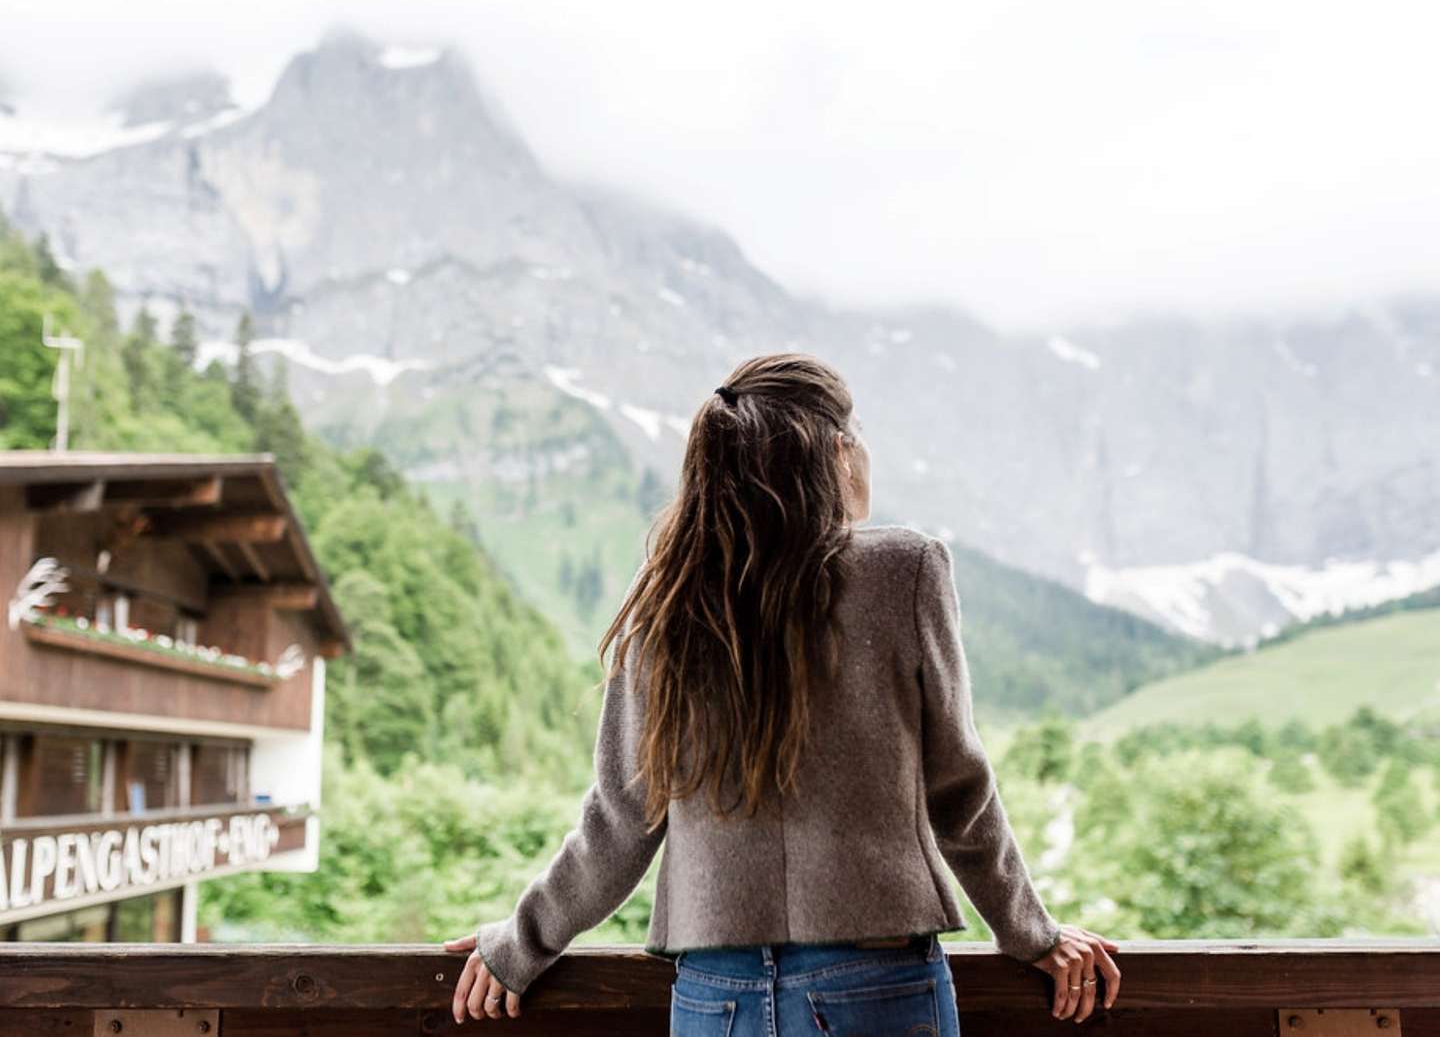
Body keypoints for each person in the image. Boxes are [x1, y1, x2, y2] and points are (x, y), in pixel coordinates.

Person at [444, 352, 1121, 1032]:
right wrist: (1032, 934)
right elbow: (958, 790)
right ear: (840, 451)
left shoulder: (667, 596)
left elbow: (620, 821)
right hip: (875, 982)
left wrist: (517, 945)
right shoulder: (904, 572)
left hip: (714, 994)